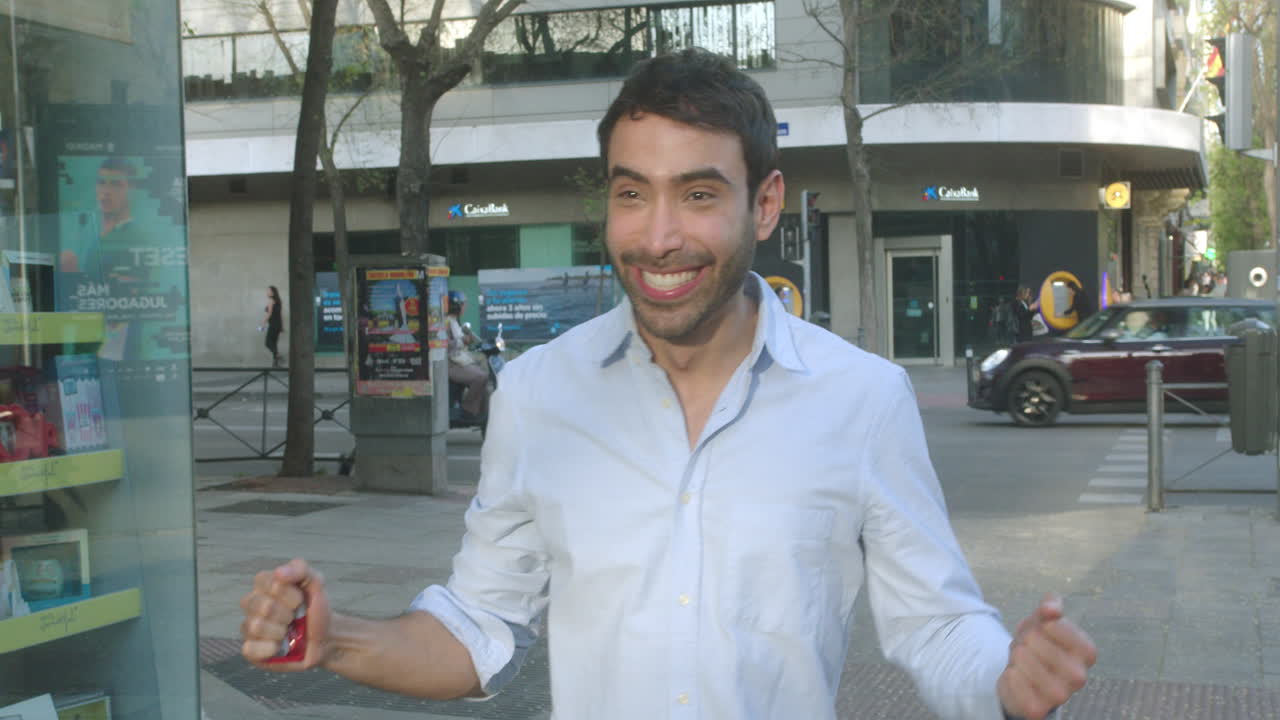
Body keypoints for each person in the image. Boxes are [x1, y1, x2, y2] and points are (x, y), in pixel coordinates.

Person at [239, 49, 1095, 720]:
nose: (657, 237)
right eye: (630, 193)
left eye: (696, 193)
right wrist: (337, 637)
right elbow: (478, 629)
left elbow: (937, 626)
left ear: (764, 206)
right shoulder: (538, 395)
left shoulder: (862, 400)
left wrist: (1005, 684)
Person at [445, 290, 488, 421]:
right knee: (480, 377)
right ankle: (468, 410)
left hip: (459, 361)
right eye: (463, 304)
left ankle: (481, 412)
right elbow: (445, 345)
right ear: (456, 305)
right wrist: (463, 341)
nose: (465, 307)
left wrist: (467, 341)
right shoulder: (446, 322)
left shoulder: (455, 321)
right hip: (451, 364)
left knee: (484, 375)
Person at [262, 286, 284, 367]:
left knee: (267, 343)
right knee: (274, 344)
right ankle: (276, 363)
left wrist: (263, 324)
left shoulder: (271, 301)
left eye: (268, 291)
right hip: (278, 325)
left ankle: (278, 355)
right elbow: (280, 315)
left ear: (272, 293)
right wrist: (282, 326)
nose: (267, 292)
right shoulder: (279, 301)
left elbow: (269, 314)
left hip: (273, 325)